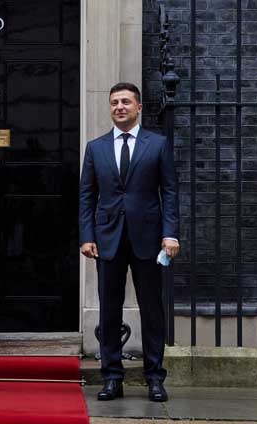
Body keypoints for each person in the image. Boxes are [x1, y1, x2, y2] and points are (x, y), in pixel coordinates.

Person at [79, 82, 180, 402]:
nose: (119, 107)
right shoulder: (95, 148)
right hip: (107, 239)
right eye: (114, 102)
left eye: (125, 101)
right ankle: (111, 377)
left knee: (152, 309)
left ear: (138, 107)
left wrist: (170, 233)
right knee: (109, 310)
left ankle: (155, 378)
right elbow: (87, 196)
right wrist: (86, 236)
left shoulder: (158, 145)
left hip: (148, 239)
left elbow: (170, 192)